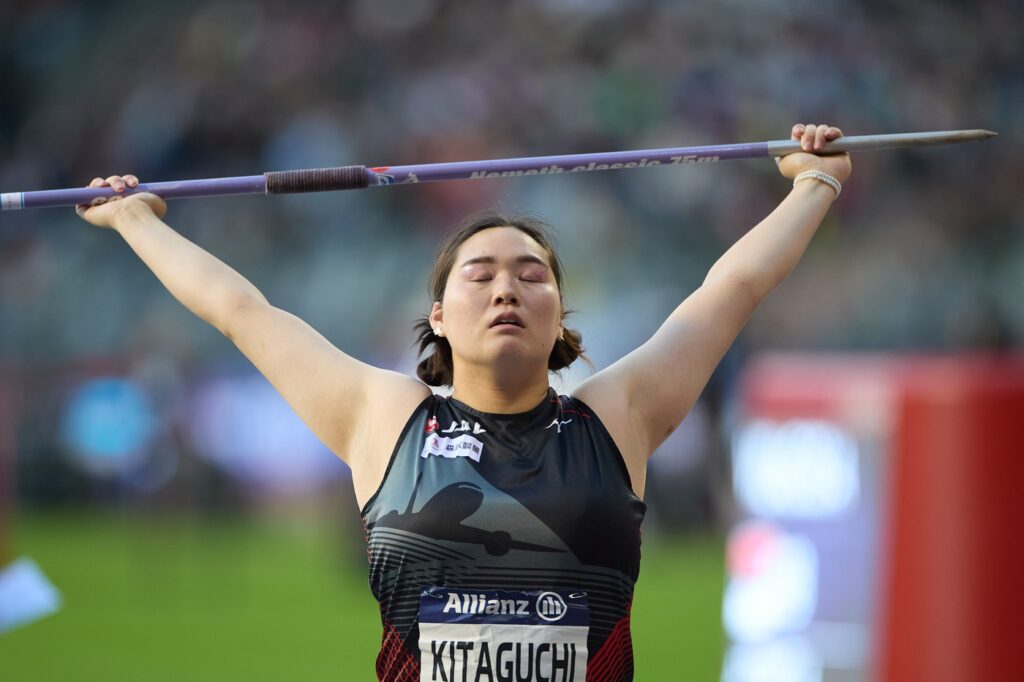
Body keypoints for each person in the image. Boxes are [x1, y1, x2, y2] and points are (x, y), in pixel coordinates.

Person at [75, 123, 851, 681]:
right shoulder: (386, 417)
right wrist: (134, 220)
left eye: (532, 275)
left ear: (560, 316)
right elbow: (242, 312)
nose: (507, 287)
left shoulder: (618, 416)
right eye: (480, 275)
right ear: (439, 316)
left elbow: (731, 290)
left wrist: (816, 182)